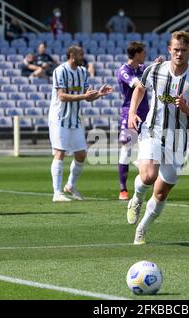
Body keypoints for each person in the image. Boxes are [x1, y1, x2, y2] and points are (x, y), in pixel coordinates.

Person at [126, 31, 189, 245]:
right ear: (169, 50)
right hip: (152, 130)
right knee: (148, 176)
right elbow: (140, 90)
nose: (179, 53)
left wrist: (187, 109)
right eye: (176, 49)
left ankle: (142, 228)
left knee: (162, 193)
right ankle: (136, 198)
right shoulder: (155, 70)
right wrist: (132, 113)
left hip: (178, 139)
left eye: (183, 50)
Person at [48, 45, 114, 202]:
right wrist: (84, 96)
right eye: (80, 54)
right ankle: (57, 193)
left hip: (75, 119)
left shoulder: (83, 72)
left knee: (81, 154)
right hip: (59, 118)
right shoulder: (60, 71)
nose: (83, 57)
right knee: (60, 152)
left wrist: (99, 93)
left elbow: (87, 96)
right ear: (72, 55)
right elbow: (62, 96)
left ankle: (70, 185)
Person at [116, 41, 150, 201]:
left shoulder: (143, 68)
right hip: (129, 112)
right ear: (137, 54)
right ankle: (123, 188)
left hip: (146, 113)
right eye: (143, 53)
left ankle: (145, 177)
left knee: (149, 147)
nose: (145, 55)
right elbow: (138, 85)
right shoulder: (124, 70)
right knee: (127, 147)